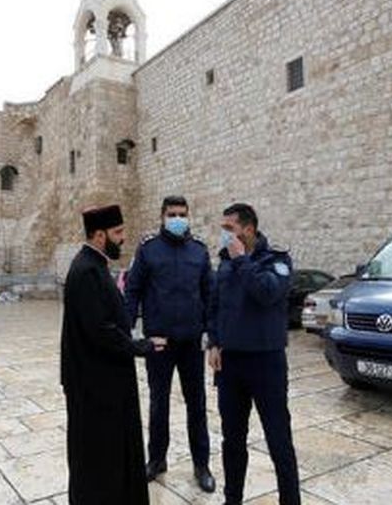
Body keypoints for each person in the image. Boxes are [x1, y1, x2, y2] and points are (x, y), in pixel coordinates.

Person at [60, 204, 167, 505]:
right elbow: (100, 330)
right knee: (97, 458)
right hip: (95, 387)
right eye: (117, 232)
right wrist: (139, 346)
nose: (123, 238)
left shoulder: (95, 265)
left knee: (113, 453)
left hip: (106, 383)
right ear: (98, 235)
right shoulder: (85, 271)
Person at [207, 203, 301, 505]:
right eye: (223, 229)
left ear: (248, 229)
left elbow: (268, 292)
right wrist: (214, 342)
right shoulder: (224, 263)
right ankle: (231, 499)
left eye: (229, 229)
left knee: (278, 440)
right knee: (232, 441)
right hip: (231, 365)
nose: (224, 236)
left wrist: (241, 261)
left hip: (266, 363)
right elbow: (215, 306)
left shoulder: (276, 259)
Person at [123, 195, 215, 492]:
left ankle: (201, 464)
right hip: (159, 344)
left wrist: (213, 336)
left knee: (197, 405)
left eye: (182, 214)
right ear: (162, 216)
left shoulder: (199, 251)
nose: (178, 219)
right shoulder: (149, 249)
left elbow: (210, 296)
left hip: (190, 344)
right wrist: (126, 334)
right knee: (158, 405)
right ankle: (157, 460)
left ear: (189, 216)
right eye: (173, 214)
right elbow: (133, 290)